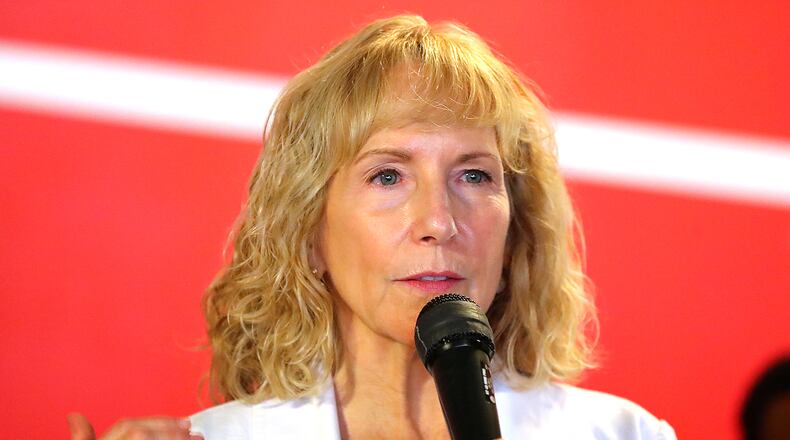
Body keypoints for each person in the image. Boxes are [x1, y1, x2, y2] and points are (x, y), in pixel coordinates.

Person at [69, 14, 676, 439]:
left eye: (473, 177)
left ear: (515, 232)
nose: (438, 222)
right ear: (308, 233)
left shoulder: (623, 435)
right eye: (387, 177)